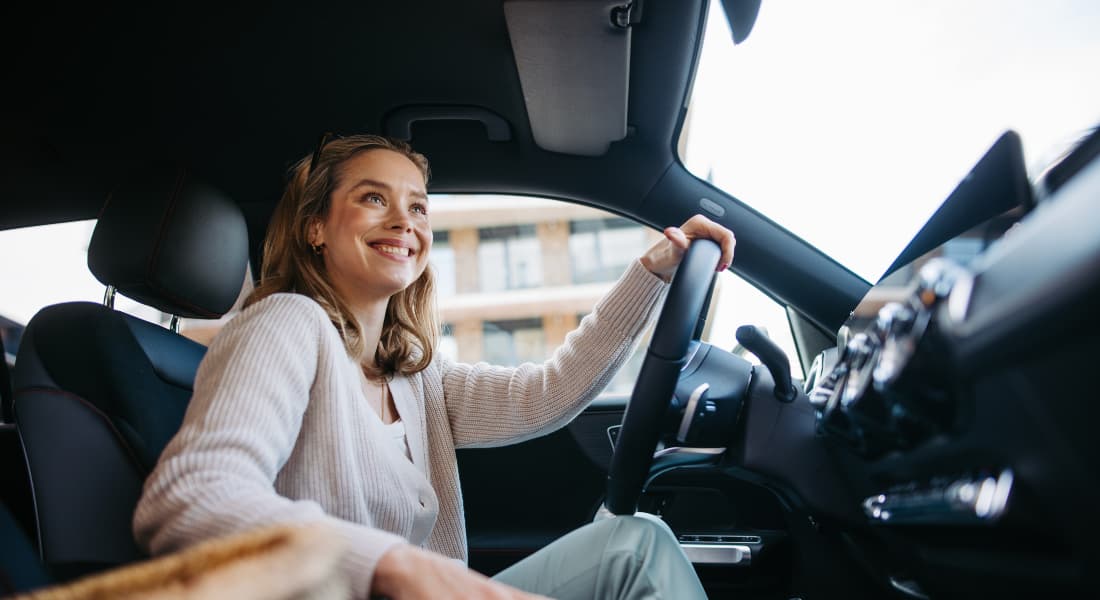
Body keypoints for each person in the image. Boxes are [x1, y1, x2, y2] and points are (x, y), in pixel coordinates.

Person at [133, 134, 736, 599]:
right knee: (635, 551)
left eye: (418, 207)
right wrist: (392, 566)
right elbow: (191, 497)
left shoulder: (413, 376)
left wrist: (653, 271)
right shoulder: (285, 325)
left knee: (636, 544)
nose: (404, 221)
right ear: (316, 227)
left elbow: (546, 394)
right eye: (373, 198)